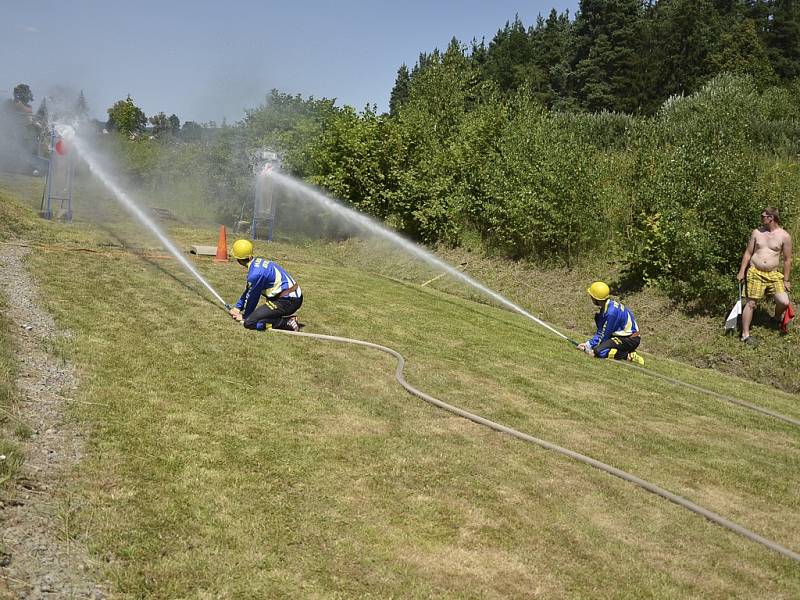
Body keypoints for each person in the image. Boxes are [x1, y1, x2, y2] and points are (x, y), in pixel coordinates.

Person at [736, 207, 792, 345]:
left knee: (784, 301)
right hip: (755, 272)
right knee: (751, 302)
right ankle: (745, 334)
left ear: (771, 218)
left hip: (773, 274)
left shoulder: (784, 236)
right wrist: (742, 271)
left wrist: (786, 280)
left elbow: (787, 259)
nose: (761, 218)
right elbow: (748, 253)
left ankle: (776, 318)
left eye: (763, 216)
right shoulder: (757, 233)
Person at [228, 239, 302, 332]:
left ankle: (286, 322)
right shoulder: (257, 263)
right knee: (256, 318)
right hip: (292, 296)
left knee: (249, 323)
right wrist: (238, 308)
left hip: (288, 301)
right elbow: (249, 289)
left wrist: (245, 316)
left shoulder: (255, 274)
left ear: (238, 260)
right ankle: (278, 318)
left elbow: (252, 298)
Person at [577, 281, 645, 366]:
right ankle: (625, 351)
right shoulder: (607, 307)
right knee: (598, 349)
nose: (590, 298)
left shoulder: (611, 313)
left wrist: (590, 349)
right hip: (621, 336)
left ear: (596, 298)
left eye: (592, 296)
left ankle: (628, 355)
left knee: (599, 352)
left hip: (630, 339)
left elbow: (605, 335)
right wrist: (588, 344)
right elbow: (601, 331)